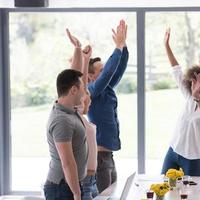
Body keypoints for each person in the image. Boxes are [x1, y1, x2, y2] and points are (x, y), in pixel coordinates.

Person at [161, 28, 200, 177]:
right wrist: (167, 46)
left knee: (191, 195)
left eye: (195, 81)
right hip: (173, 151)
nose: (191, 83)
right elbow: (177, 71)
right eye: (191, 81)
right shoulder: (189, 97)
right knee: (163, 188)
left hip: (192, 159)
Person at [87, 20, 129, 193]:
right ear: (90, 76)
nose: (106, 72)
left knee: (113, 196)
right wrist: (117, 48)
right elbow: (108, 73)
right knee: (104, 198)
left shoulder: (107, 89)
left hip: (109, 157)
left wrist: (123, 46)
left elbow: (117, 69)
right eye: (101, 70)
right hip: (99, 158)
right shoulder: (91, 91)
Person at [44, 69, 87, 200]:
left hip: (69, 186)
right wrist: (77, 193)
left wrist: (82, 55)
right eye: (83, 89)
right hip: (63, 189)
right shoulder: (62, 120)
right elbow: (67, 162)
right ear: (74, 90)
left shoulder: (69, 111)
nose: (84, 94)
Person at [66, 29, 99, 199]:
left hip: (92, 180)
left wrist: (86, 61)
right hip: (84, 182)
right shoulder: (72, 113)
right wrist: (77, 49)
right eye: (85, 96)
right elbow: (76, 79)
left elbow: (83, 85)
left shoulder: (81, 117)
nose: (88, 98)